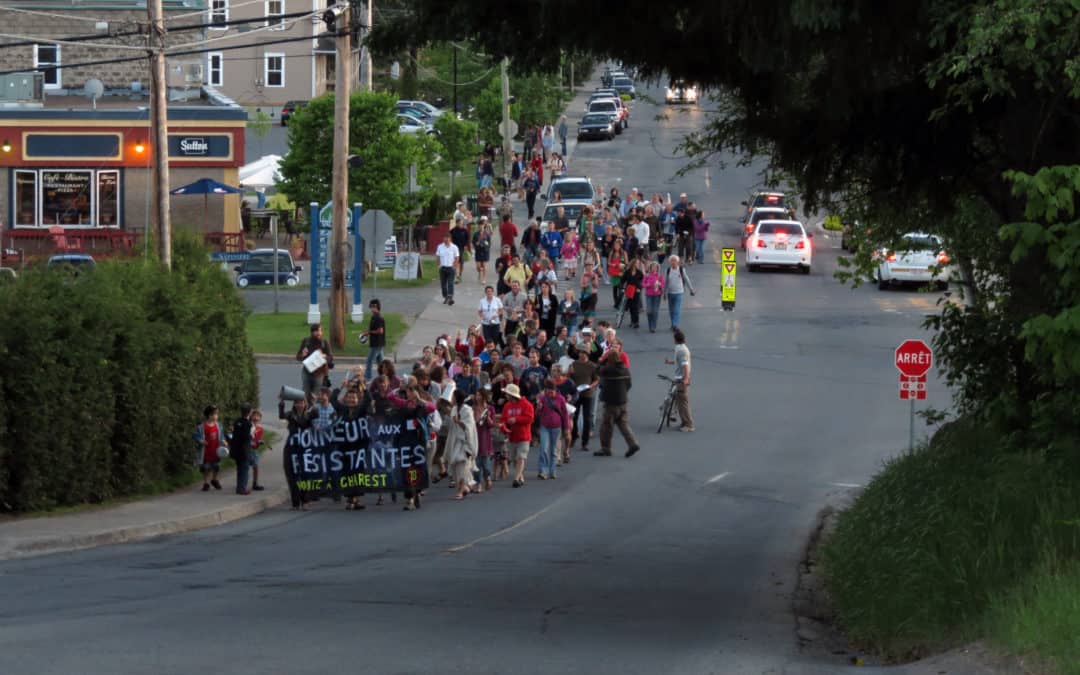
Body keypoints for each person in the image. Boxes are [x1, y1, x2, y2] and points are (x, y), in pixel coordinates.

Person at [596, 341, 640, 458]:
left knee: (606, 426)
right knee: (623, 424)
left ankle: (606, 448)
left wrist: (604, 359)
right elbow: (629, 385)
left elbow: (597, 370)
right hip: (623, 401)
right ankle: (633, 443)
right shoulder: (625, 370)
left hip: (610, 403)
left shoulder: (608, 369)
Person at [278, 395, 313, 509]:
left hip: (305, 448)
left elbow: (317, 416)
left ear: (305, 404)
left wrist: (315, 401)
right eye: (297, 403)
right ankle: (295, 503)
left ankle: (306, 500)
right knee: (292, 475)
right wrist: (282, 403)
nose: (299, 405)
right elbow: (282, 415)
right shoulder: (290, 414)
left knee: (305, 475)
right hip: (291, 448)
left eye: (301, 402)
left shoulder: (309, 415)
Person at [445, 390, 478, 500]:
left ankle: (460, 489)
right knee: (454, 465)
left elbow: (469, 426)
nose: (452, 399)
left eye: (453, 397)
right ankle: (465, 487)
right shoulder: (454, 409)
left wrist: (459, 422)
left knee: (462, 464)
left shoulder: (467, 410)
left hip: (464, 442)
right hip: (454, 440)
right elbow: (450, 425)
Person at [535, 379, 570, 480]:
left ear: (555, 390)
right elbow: (537, 415)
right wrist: (539, 408)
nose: (550, 394)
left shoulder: (561, 399)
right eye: (548, 392)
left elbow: (565, 414)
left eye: (551, 392)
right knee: (544, 448)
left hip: (556, 427)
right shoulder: (542, 398)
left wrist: (567, 428)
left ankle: (552, 470)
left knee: (554, 450)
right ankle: (543, 471)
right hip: (544, 426)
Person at [501, 383, 534, 488]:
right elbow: (504, 420)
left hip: (524, 436)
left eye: (507, 394)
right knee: (515, 459)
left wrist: (516, 419)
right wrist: (504, 427)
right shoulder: (507, 406)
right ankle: (520, 476)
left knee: (521, 457)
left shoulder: (526, 405)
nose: (506, 396)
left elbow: (530, 418)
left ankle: (516, 479)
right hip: (512, 436)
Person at [569, 348, 600, 452]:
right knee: (574, 417)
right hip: (576, 394)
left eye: (583, 353)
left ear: (587, 354)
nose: (581, 355)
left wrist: (591, 386)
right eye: (580, 353)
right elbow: (569, 378)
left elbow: (597, 379)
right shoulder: (574, 364)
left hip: (588, 394)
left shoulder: (592, 366)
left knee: (587, 419)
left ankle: (585, 442)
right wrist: (570, 373)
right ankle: (574, 437)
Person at [665, 328, 694, 432]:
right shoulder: (680, 348)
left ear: (675, 339)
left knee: (683, 403)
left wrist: (685, 379)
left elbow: (685, 365)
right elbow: (679, 362)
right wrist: (670, 362)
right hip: (679, 378)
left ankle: (689, 424)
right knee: (679, 401)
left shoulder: (681, 350)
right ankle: (684, 422)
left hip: (681, 380)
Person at [296, 323, 333, 403]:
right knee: (305, 393)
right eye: (316, 331)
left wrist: (324, 356)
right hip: (307, 372)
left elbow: (331, 357)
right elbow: (298, 357)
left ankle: (312, 410)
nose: (318, 333)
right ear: (312, 332)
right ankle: (305, 410)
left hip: (319, 373)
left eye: (320, 331)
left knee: (315, 395)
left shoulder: (324, 343)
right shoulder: (306, 342)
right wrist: (302, 355)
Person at [194, 405, 225, 491]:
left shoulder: (219, 426)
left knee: (216, 467)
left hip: (216, 451)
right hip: (206, 452)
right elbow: (196, 436)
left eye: (217, 414)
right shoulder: (201, 427)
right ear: (209, 415)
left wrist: (224, 441)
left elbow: (222, 436)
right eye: (215, 414)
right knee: (206, 468)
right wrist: (201, 440)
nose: (217, 416)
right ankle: (206, 483)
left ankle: (214, 480)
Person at [664, 255, 696, 331]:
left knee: (676, 309)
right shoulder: (668, 270)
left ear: (677, 262)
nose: (673, 262)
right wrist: (664, 292)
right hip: (670, 292)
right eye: (672, 261)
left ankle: (675, 325)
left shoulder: (681, 269)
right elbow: (666, 282)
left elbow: (686, 279)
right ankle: (673, 324)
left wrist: (691, 289)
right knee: (671, 310)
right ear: (670, 262)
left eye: (674, 261)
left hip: (679, 292)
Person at [473, 390, 496, 491]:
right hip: (474, 436)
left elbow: (492, 424)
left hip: (485, 437)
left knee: (485, 462)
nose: (477, 397)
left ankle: (487, 477)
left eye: (479, 395)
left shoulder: (490, 408)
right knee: (476, 462)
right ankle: (478, 483)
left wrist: (489, 419)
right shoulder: (473, 408)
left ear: (483, 397)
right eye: (476, 395)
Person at [229, 403, 254, 494]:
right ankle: (242, 488)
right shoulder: (247, 424)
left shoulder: (237, 421)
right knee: (244, 470)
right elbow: (246, 437)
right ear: (249, 412)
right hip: (244, 450)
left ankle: (239, 487)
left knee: (239, 469)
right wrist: (251, 436)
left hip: (236, 449)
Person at [362, 298, 386, 381]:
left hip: (377, 344)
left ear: (376, 307)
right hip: (376, 343)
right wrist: (367, 333)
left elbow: (380, 331)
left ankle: (367, 378)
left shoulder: (379, 318)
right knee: (381, 363)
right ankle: (385, 377)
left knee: (369, 361)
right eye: (370, 306)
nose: (371, 309)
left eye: (372, 306)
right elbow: (372, 329)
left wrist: (369, 332)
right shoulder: (373, 317)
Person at [436, 233, 460, 305]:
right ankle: (446, 296)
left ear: (450, 239)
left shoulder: (454, 247)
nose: (446, 240)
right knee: (443, 284)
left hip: (451, 268)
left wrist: (454, 266)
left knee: (450, 283)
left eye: (447, 238)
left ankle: (450, 297)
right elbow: (437, 256)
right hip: (442, 268)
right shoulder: (440, 247)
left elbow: (456, 257)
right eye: (444, 238)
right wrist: (438, 265)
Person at [642, 261, 665, 333]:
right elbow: (643, 284)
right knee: (649, 311)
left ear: (658, 268)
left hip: (657, 295)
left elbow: (663, 285)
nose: (654, 269)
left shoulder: (659, 276)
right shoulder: (647, 275)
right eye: (653, 267)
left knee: (655, 311)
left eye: (656, 267)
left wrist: (659, 284)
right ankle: (650, 325)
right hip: (649, 295)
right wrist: (647, 285)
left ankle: (653, 327)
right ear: (650, 268)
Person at [623, 257, 644, 329]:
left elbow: (642, 282)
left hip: (636, 290)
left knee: (636, 306)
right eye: (636, 263)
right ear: (633, 264)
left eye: (638, 263)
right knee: (631, 306)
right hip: (629, 290)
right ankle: (632, 321)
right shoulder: (627, 272)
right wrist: (622, 288)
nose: (638, 264)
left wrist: (639, 288)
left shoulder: (639, 273)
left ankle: (636, 322)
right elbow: (623, 280)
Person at [249, 409, 266, 491]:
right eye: (254, 416)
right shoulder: (248, 426)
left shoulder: (260, 429)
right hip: (246, 449)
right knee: (244, 467)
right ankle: (242, 482)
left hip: (254, 450)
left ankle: (255, 483)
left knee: (256, 466)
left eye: (258, 416)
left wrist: (259, 442)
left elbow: (257, 440)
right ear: (250, 417)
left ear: (260, 418)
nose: (256, 418)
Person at [473, 218, 492, 284]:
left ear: (484, 225)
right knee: (478, 267)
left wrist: (487, 245)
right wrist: (476, 244)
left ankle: (484, 279)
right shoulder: (476, 234)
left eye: (482, 225)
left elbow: (489, 243)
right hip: (478, 251)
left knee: (484, 265)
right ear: (478, 226)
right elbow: (473, 242)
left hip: (485, 251)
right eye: (479, 225)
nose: (481, 226)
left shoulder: (487, 234)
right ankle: (480, 272)